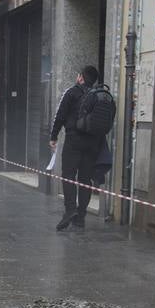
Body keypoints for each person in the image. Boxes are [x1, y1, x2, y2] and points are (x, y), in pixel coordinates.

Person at [51, 65, 114, 230]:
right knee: (85, 180)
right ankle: (81, 217)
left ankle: (70, 209)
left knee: (68, 175)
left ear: (81, 78)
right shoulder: (99, 97)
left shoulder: (72, 92)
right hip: (93, 143)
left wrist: (53, 136)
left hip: (74, 141)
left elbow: (60, 115)